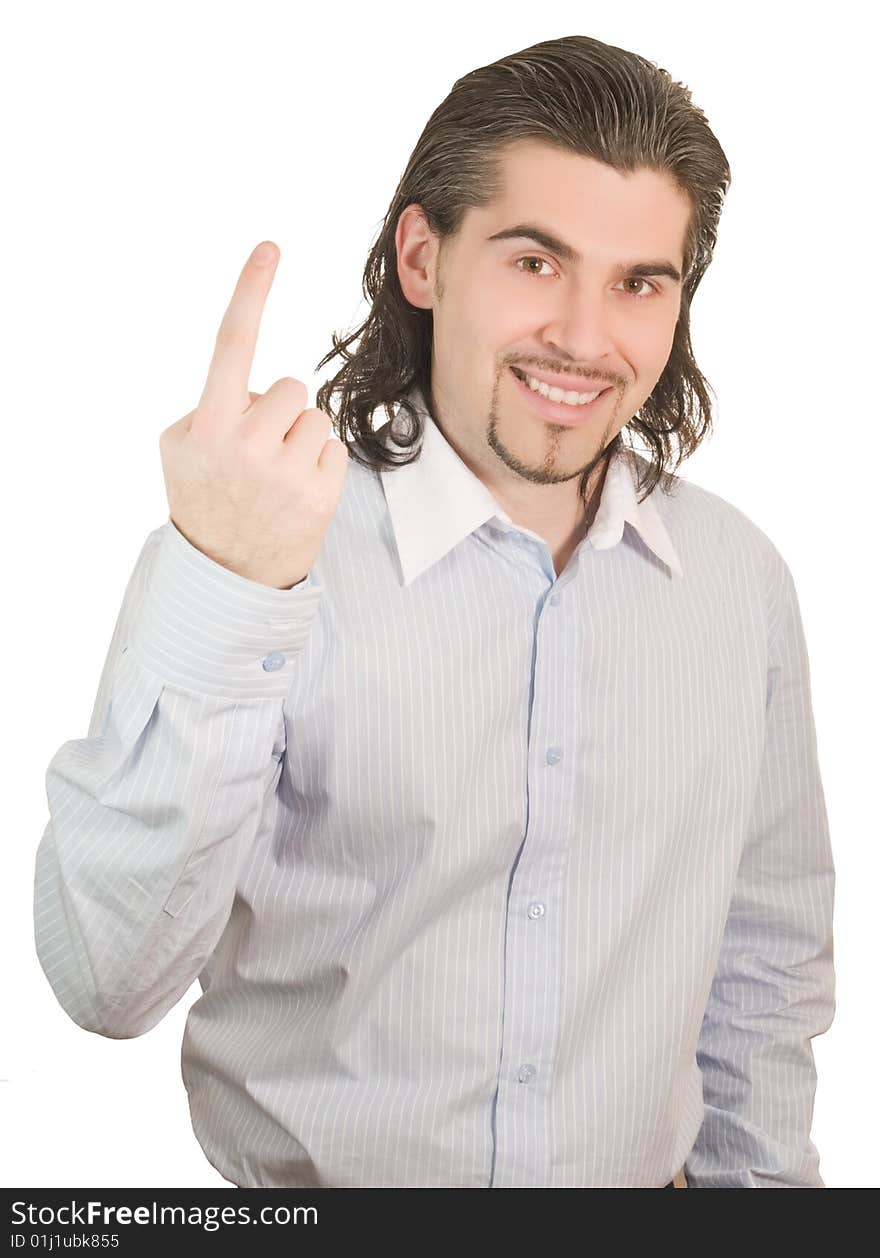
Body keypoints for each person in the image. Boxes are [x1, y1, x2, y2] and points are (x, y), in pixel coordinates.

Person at [32, 33, 835, 1189]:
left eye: (637, 283)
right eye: (534, 261)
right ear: (424, 256)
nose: (582, 335)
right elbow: (106, 980)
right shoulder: (261, 549)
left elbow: (764, 971)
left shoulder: (736, 579)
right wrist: (227, 585)